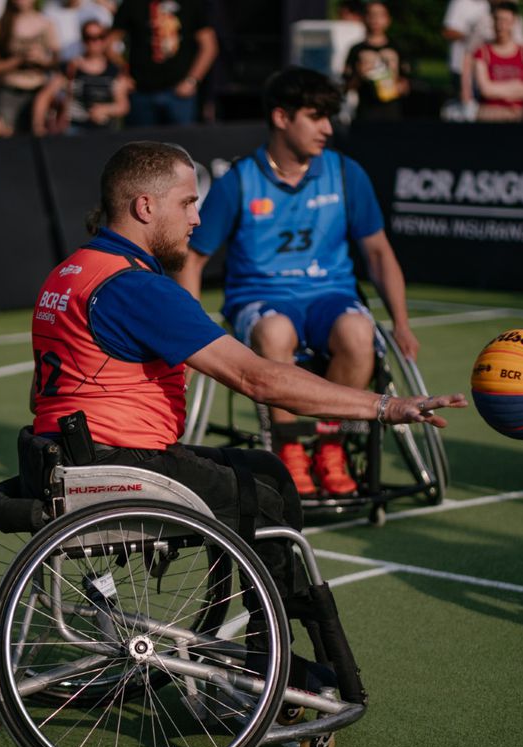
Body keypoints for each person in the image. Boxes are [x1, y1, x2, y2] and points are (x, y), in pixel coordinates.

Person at [30, 140, 464, 648]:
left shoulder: (72, 270)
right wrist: (383, 406)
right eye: (187, 203)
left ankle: (269, 639)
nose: (197, 218)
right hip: (121, 463)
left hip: (65, 455)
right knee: (267, 504)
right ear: (144, 207)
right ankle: (273, 649)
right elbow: (258, 379)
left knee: (271, 470)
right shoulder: (137, 287)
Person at [180, 67, 422, 498]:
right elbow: (192, 259)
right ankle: (288, 451)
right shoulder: (239, 180)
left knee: (358, 331)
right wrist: (187, 335)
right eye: (316, 117)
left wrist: (401, 322)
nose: (327, 128)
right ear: (281, 118)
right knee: (275, 332)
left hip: (330, 296)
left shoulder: (347, 174)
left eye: (330, 117)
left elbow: (379, 253)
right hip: (261, 298)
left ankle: (330, 446)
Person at [111, 0, 217, 126]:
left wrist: (192, 80)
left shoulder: (191, 4)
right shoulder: (133, 4)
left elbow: (209, 46)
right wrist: (124, 73)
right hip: (142, 92)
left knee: (182, 143)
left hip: (179, 94)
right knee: (142, 144)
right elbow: (109, 44)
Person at [31, 18, 127, 135]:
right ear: (83, 40)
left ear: (106, 39)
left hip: (105, 131)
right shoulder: (71, 67)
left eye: (100, 37)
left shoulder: (114, 70)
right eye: (89, 38)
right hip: (75, 130)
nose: (94, 42)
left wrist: (106, 109)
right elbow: (44, 96)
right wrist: (38, 126)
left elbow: (123, 105)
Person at [0, 0, 58, 133]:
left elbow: (56, 61)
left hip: (38, 90)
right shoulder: (1, 25)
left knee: (39, 131)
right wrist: (19, 60)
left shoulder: (46, 23)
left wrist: (42, 60)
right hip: (10, 90)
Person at [465, 1, 523, 121]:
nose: (501, 25)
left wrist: (498, 90)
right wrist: (517, 85)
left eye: (506, 21)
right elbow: (486, 90)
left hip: (520, 114)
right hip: (490, 114)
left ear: (514, 22)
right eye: (497, 20)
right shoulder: (483, 53)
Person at [442, 0, 523, 105]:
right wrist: (473, 36)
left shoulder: (513, 18)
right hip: (464, 69)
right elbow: (449, 32)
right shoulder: (465, 5)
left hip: (499, 74)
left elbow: (522, 49)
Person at [341, 0, 409, 122]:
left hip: (392, 112)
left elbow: (407, 82)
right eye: (371, 15)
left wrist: (399, 87)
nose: (375, 20)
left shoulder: (398, 47)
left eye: (380, 15)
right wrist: (359, 75)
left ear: (388, 19)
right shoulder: (356, 49)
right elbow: (346, 86)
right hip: (366, 112)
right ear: (364, 18)